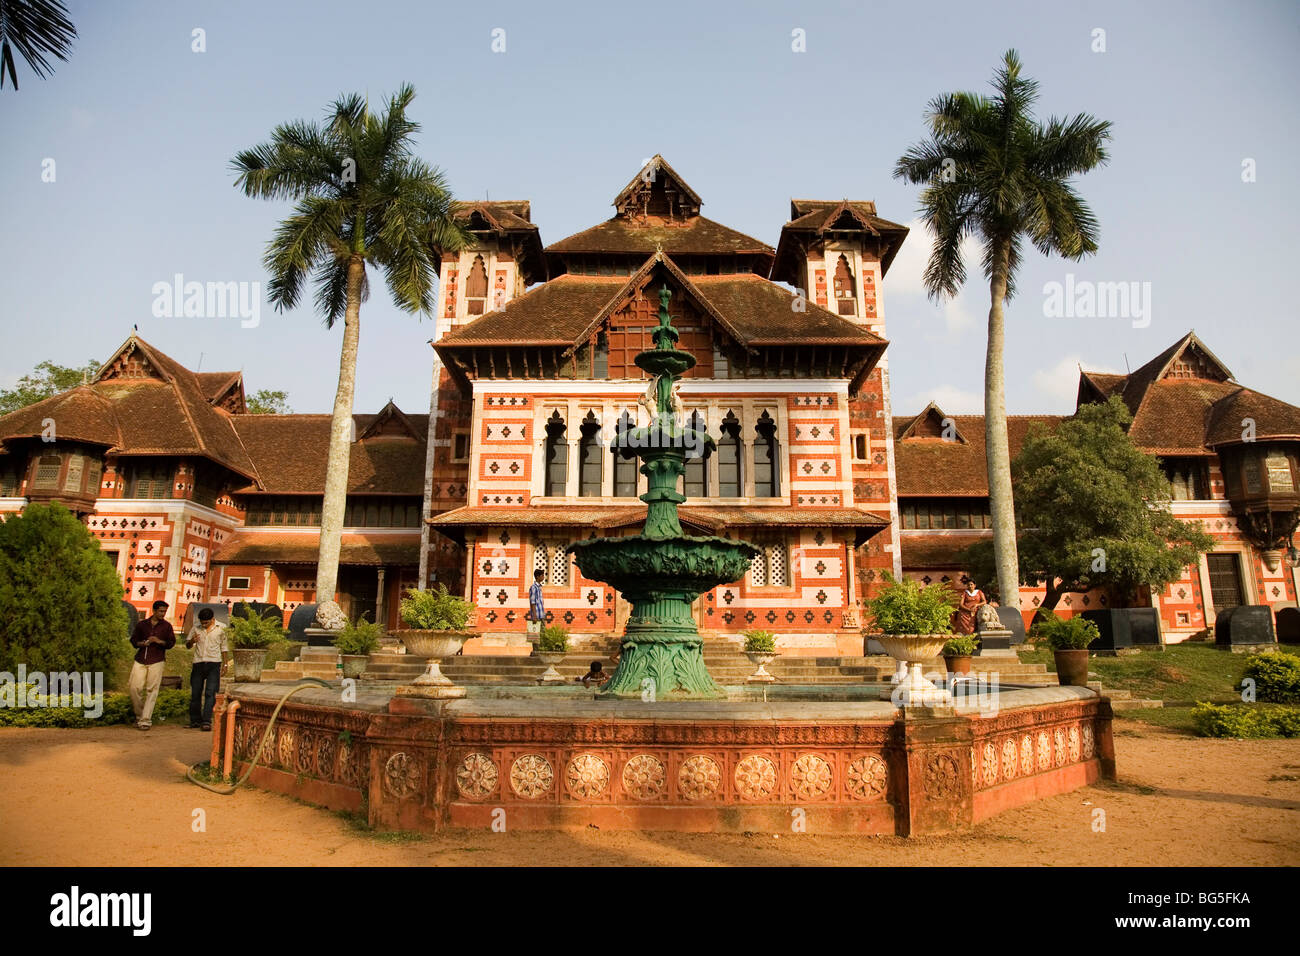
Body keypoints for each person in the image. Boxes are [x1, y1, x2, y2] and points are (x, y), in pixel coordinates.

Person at [128, 600, 175, 731]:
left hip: (157, 660)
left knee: (152, 691)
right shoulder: (142, 625)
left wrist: (159, 641)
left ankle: (145, 720)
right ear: (154, 611)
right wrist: (141, 644)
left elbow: (171, 643)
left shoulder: (167, 626)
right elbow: (133, 640)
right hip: (140, 659)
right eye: (161, 611)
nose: (163, 613)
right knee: (134, 688)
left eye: (165, 611)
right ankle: (139, 715)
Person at [185, 608, 228, 731]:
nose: (203, 625)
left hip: (214, 663)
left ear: (213, 619)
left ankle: (206, 720)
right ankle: (195, 720)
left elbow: (224, 648)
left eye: (206, 623)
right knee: (195, 693)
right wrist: (192, 641)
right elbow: (188, 645)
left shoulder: (221, 628)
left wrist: (225, 665)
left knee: (210, 692)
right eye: (202, 622)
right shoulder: (196, 628)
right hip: (198, 663)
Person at [527, 568, 546, 636]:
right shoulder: (534, 587)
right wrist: (534, 616)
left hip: (541, 615)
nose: (543, 577)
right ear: (537, 577)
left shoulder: (539, 587)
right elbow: (533, 602)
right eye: (542, 575)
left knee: (543, 635)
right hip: (537, 616)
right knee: (535, 637)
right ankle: (536, 647)